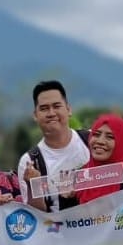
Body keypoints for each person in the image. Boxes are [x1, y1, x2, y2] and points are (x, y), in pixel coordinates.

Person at [17, 81, 90, 212]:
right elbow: (36, 216)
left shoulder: (92, 142)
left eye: (56, 106)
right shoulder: (30, 162)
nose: (51, 113)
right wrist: (33, 185)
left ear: (68, 110)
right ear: (35, 115)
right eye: (44, 108)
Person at [59, 114, 123, 207]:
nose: (100, 141)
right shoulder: (83, 174)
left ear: (121, 142)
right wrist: (67, 198)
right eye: (96, 134)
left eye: (110, 137)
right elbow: (70, 219)